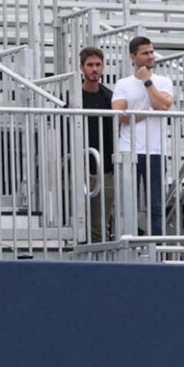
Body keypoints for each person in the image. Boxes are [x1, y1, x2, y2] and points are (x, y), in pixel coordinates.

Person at [111, 36, 173, 235]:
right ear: (133, 57)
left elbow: (162, 105)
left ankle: (156, 245)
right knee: (126, 202)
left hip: (156, 151)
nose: (150, 56)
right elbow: (119, 115)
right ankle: (125, 242)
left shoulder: (163, 81)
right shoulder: (123, 83)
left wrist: (147, 81)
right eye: (145, 53)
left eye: (151, 52)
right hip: (129, 149)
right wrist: (147, 112)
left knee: (156, 204)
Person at [77, 47, 118, 243]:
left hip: (105, 171)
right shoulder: (72, 97)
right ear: (81, 68)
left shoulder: (110, 98)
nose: (94, 69)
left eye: (98, 65)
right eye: (90, 65)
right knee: (75, 222)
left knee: (99, 227)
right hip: (77, 170)